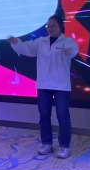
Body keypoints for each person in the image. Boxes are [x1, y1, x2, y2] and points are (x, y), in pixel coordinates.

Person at [8, 14, 79, 159]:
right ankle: (47, 143)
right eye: (48, 26)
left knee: (62, 116)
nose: (50, 28)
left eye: (53, 26)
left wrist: (68, 52)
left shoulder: (67, 41)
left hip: (61, 85)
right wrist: (16, 42)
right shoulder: (40, 42)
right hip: (43, 84)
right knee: (44, 115)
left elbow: (73, 50)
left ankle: (64, 146)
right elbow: (25, 48)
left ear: (61, 27)